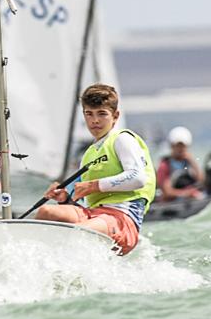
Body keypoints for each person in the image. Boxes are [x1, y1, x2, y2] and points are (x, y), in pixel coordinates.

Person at [37, 83, 155, 255]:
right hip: (94, 214)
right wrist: (64, 199)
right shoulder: (89, 153)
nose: (95, 120)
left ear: (115, 116)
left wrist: (93, 186)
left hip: (122, 219)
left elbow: (138, 178)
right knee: (46, 212)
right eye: (89, 114)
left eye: (102, 114)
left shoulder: (122, 139)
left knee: (78, 233)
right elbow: (86, 201)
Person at [156, 126, 204, 201]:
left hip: (190, 201)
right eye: (178, 146)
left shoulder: (189, 162)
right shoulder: (165, 165)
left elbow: (201, 180)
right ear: (172, 146)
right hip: (173, 205)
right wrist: (187, 193)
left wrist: (193, 162)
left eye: (183, 146)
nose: (181, 149)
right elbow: (167, 192)